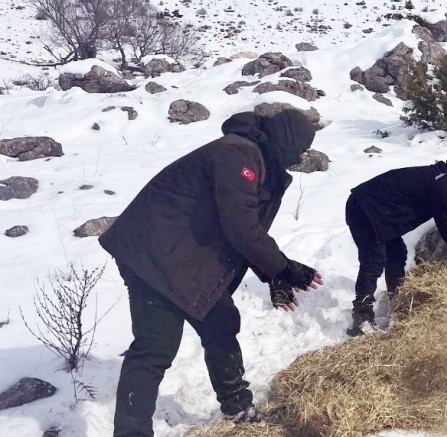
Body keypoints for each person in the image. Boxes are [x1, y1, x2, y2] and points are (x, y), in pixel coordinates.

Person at [99, 109, 324, 436]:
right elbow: (241, 227)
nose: (298, 158)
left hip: (180, 254)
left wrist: (273, 275)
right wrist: (285, 269)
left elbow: (244, 229)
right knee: (155, 347)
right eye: (299, 149)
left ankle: (238, 407)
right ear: (287, 140)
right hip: (152, 255)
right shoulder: (238, 154)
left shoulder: (254, 156)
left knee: (221, 322)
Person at [345, 145, 447, 336]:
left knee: (396, 254)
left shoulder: (445, 180)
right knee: (374, 260)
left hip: (380, 212)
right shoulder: (441, 185)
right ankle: (362, 320)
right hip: (363, 208)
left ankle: (397, 300)